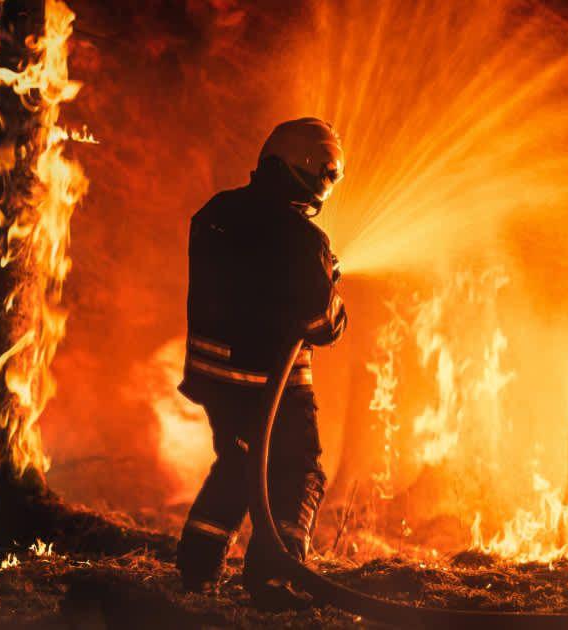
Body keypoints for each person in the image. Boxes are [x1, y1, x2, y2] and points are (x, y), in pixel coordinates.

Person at [175, 117, 348, 609]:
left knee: (238, 465)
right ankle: (278, 577)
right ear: (310, 171)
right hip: (272, 387)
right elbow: (321, 325)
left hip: (213, 381)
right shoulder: (304, 240)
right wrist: (332, 286)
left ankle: (196, 564)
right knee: (299, 473)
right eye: (327, 175)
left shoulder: (214, 214)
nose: (326, 186)